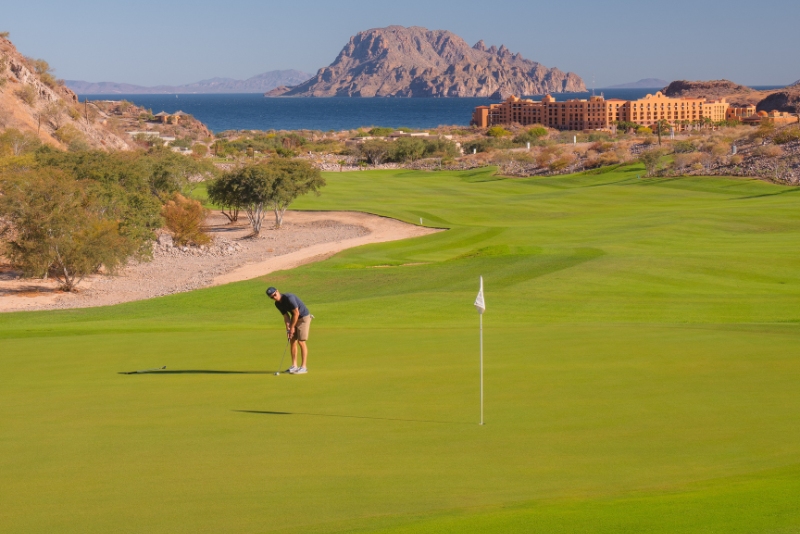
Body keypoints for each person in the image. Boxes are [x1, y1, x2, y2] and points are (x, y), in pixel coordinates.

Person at [266, 287, 312, 374]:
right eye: (272, 297)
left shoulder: (289, 298)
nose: (274, 297)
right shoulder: (277, 304)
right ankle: (294, 366)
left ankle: (303, 367)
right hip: (295, 319)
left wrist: (292, 328)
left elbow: (296, 313)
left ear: (277, 291)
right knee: (292, 340)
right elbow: (286, 317)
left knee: (301, 342)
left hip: (303, 318)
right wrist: (288, 330)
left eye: (275, 295)